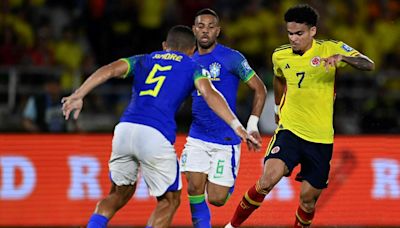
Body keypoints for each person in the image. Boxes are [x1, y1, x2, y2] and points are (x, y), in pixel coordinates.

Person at [61, 25, 260, 228]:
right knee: (169, 200)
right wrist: (237, 125)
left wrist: (79, 94)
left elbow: (109, 70)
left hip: (124, 129)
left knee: (117, 195)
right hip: (154, 134)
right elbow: (210, 95)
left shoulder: (144, 59)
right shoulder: (193, 67)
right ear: (192, 50)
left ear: (165, 46)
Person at [225, 4, 374, 228]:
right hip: (290, 130)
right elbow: (279, 78)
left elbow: (368, 64)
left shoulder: (330, 48)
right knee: (266, 181)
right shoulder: (280, 55)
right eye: (290, 33)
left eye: (299, 34)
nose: (293, 39)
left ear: (313, 31)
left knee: (307, 202)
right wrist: (276, 109)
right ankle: (231, 226)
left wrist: (344, 57)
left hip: (321, 139)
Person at [179, 8, 267, 228]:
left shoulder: (232, 58)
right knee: (193, 188)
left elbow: (260, 89)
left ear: (218, 31)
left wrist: (253, 124)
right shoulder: (187, 61)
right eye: (201, 26)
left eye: (210, 27)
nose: (205, 31)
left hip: (226, 140)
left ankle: (224, 183)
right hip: (197, 136)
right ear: (193, 30)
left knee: (216, 199)